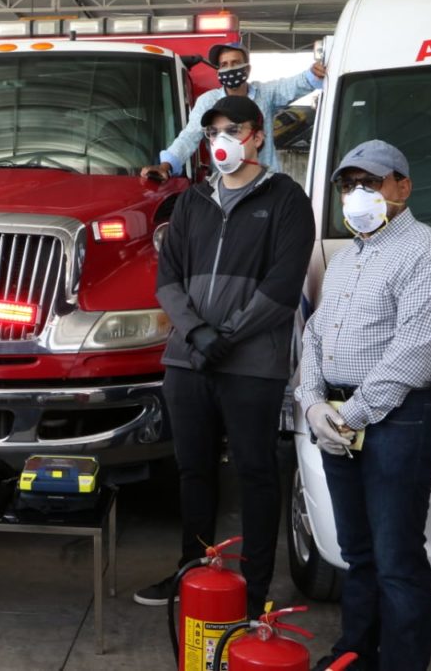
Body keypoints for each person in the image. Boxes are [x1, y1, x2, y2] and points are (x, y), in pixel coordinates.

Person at [135, 96, 315, 616]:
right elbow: (167, 280)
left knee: (257, 473)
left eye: (232, 128)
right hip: (188, 363)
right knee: (192, 470)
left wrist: (228, 336)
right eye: (212, 129)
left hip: (251, 365)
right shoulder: (192, 201)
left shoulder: (285, 199)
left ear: (257, 135)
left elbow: (282, 286)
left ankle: (254, 588)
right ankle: (192, 572)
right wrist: (197, 334)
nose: (221, 139)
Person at [295, 140, 431, 671]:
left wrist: (351, 413)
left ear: (402, 186)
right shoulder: (348, 259)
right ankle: (355, 652)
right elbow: (316, 338)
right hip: (341, 420)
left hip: (402, 420)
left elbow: (414, 351)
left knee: (396, 560)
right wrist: (313, 403)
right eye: (349, 186)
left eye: (370, 183)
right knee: (358, 555)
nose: (358, 195)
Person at [141, 41, 325, 180]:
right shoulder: (209, 101)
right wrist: (166, 166)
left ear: (247, 69)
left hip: (265, 182)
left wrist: (313, 74)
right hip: (226, 183)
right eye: (224, 65)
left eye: (235, 63)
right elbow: (189, 136)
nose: (229, 69)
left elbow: (293, 85)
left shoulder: (265, 94)